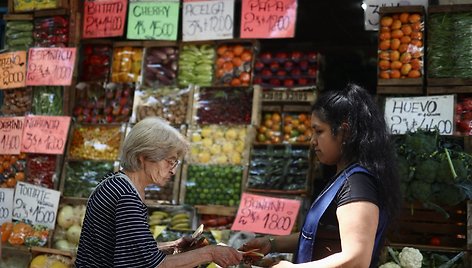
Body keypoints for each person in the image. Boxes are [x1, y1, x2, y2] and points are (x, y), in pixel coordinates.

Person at [239, 84, 401, 267]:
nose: (312, 141)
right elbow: (321, 233)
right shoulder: (345, 177)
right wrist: (272, 243)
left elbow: (357, 259)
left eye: (319, 131)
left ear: (344, 132)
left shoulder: (358, 184)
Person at [75, 117, 243, 268]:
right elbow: (151, 265)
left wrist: (172, 246)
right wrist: (210, 253)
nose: (173, 171)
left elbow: (128, 248)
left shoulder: (115, 183)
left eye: (175, 163)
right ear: (143, 157)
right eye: (169, 162)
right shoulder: (126, 196)